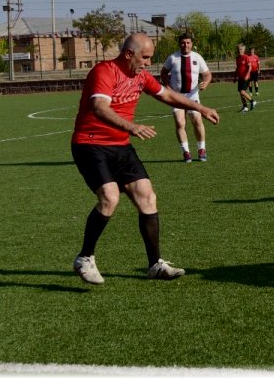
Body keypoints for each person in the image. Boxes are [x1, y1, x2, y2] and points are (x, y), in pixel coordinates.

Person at [70, 33, 220, 285]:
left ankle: (155, 265)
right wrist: (131, 127)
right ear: (129, 54)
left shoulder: (140, 76)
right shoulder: (104, 71)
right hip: (90, 144)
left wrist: (199, 108)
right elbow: (99, 107)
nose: (149, 63)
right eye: (146, 57)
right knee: (109, 198)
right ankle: (85, 258)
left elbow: (166, 95)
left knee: (147, 196)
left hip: (120, 146)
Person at [159, 33, 213, 162]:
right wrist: (168, 87)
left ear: (191, 44)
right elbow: (163, 73)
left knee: (197, 121)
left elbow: (207, 74)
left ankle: (201, 150)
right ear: (179, 44)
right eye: (183, 43)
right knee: (180, 122)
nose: (186, 45)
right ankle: (186, 152)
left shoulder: (197, 57)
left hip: (192, 95)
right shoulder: (172, 58)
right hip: (176, 96)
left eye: (188, 42)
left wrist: (205, 83)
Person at [235, 44, 255, 111]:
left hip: (246, 78)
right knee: (241, 94)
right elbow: (237, 68)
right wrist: (235, 77)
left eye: (240, 49)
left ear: (244, 50)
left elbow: (250, 67)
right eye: (238, 49)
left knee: (242, 92)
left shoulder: (246, 57)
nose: (239, 51)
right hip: (240, 78)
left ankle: (252, 101)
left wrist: (247, 75)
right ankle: (245, 107)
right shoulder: (237, 58)